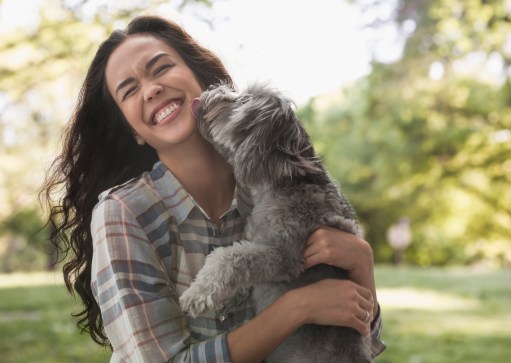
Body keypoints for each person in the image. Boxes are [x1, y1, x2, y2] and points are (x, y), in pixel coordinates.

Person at [41, 15, 386, 362]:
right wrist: (296, 307)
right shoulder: (124, 213)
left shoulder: (274, 184)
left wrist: (361, 265)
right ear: (134, 131)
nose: (151, 89)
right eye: (129, 90)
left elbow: (351, 345)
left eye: (161, 68)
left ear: (203, 80)